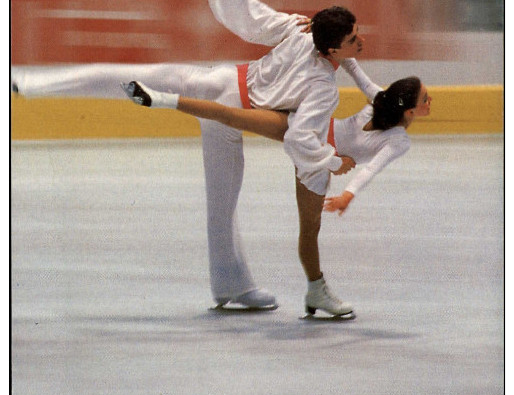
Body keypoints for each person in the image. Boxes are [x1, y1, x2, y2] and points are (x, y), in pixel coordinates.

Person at [12, 0, 365, 313]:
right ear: (332, 49)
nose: (360, 41)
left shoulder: (302, 29)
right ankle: (231, 284)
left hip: (216, 86)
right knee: (221, 206)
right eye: (352, 38)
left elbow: (253, 16)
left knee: (130, 76)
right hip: (225, 114)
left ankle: (29, 83)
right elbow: (301, 139)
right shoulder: (322, 86)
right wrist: (335, 161)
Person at [122, 63, 431, 316]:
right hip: (309, 138)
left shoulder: (392, 128)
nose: (430, 102)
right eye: (425, 99)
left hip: (313, 149)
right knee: (232, 115)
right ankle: (159, 98)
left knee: (309, 229)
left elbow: (372, 165)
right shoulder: (389, 117)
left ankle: (316, 291)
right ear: (410, 111)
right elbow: (354, 70)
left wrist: (348, 193)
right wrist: (335, 46)